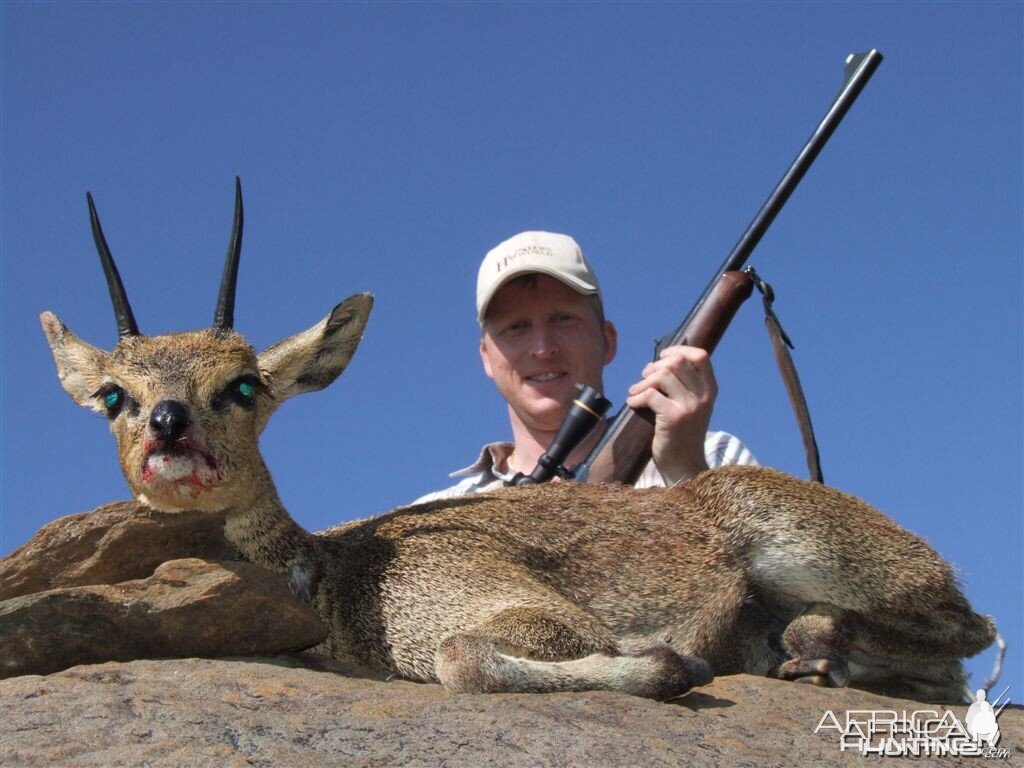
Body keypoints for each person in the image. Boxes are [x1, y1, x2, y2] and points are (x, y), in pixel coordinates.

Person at [416, 230, 756, 502]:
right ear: (487, 359)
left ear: (608, 340)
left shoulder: (715, 455)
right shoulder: (441, 512)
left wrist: (685, 470)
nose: (543, 348)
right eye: (516, 327)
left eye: (563, 319)